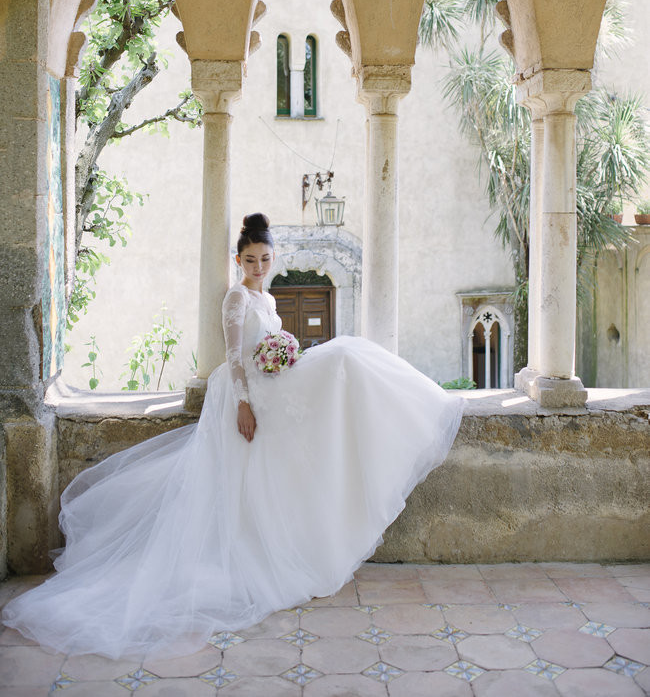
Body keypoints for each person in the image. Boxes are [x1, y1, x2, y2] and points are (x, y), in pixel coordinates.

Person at [3, 213, 464, 660]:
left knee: (346, 359)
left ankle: (416, 410)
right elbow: (234, 357)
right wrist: (243, 403)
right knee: (344, 357)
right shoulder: (237, 299)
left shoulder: (269, 300)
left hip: (272, 385)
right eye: (250, 260)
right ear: (237, 260)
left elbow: (270, 348)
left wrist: (287, 357)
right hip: (245, 395)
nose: (258, 267)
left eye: (264, 259)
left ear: (272, 257)